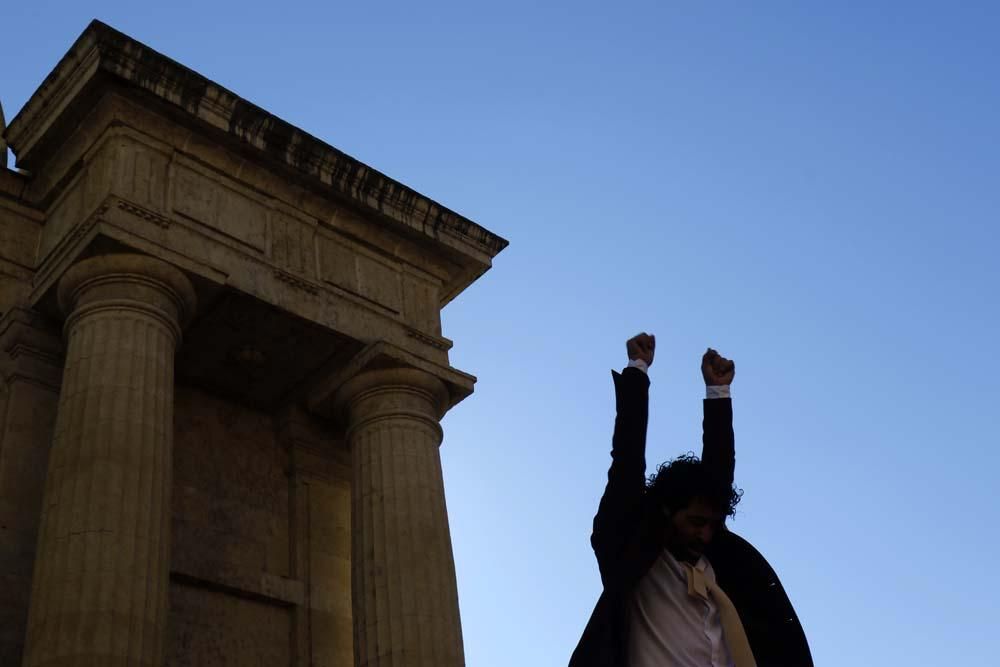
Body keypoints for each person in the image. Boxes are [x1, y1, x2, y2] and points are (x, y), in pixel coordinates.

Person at [569, 333, 813, 667]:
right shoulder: (634, 553)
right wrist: (638, 369)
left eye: (712, 524)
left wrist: (718, 391)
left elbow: (719, 471)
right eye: (696, 522)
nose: (705, 534)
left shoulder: (718, 567)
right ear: (668, 510)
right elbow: (626, 461)